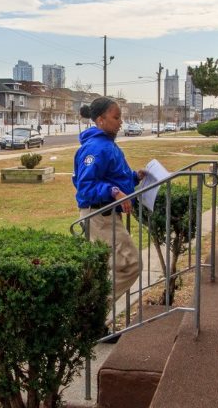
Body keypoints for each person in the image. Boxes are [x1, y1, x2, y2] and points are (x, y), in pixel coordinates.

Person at [73, 97, 145, 301]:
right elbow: (85, 187)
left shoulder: (107, 144)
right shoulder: (96, 148)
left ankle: (95, 316)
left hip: (108, 214)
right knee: (131, 265)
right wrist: (113, 191)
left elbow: (112, 176)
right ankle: (93, 310)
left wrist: (134, 177)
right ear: (100, 120)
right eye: (116, 117)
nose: (121, 122)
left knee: (106, 267)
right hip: (99, 215)